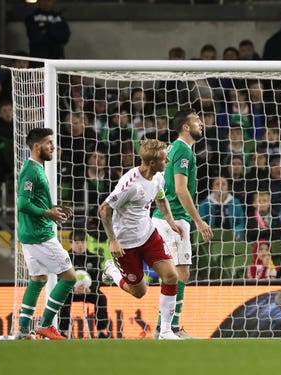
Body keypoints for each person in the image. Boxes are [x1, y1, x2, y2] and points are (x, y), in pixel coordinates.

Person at [99, 139, 185, 340]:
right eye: (165, 159)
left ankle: (165, 331)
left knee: (171, 276)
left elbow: (160, 198)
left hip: (148, 235)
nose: (168, 161)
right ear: (153, 163)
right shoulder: (130, 184)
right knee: (139, 292)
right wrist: (112, 240)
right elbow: (104, 209)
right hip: (125, 244)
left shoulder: (158, 178)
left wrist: (171, 222)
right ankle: (112, 270)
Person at [151, 109, 213, 339]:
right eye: (197, 121)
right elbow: (180, 188)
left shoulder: (172, 149)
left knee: (178, 273)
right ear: (185, 127)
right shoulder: (183, 150)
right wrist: (198, 220)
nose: (201, 124)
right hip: (175, 219)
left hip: (167, 217)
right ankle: (168, 327)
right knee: (179, 273)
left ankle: (167, 327)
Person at [15, 127, 76, 340]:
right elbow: (22, 203)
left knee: (38, 279)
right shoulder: (30, 171)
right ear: (37, 146)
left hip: (30, 234)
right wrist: (47, 213)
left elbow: (34, 199)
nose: (53, 146)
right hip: (39, 234)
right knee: (69, 277)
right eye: (49, 143)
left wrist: (54, 206)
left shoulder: (37, 168)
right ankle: (46, 325)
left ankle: (23, 331)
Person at [58, 229, 110, 338]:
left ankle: (101, 331)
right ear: (71, 243)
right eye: (77, 242)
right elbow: (60, 278)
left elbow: (98, 278)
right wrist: (71, 289)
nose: (80, 245)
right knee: (61, 298)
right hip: (70, 292)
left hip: (89, 291)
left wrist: (91, 289)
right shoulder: (65, 258)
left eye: (83, 242)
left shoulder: (94, 258)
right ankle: (63, 331)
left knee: (101, 297)